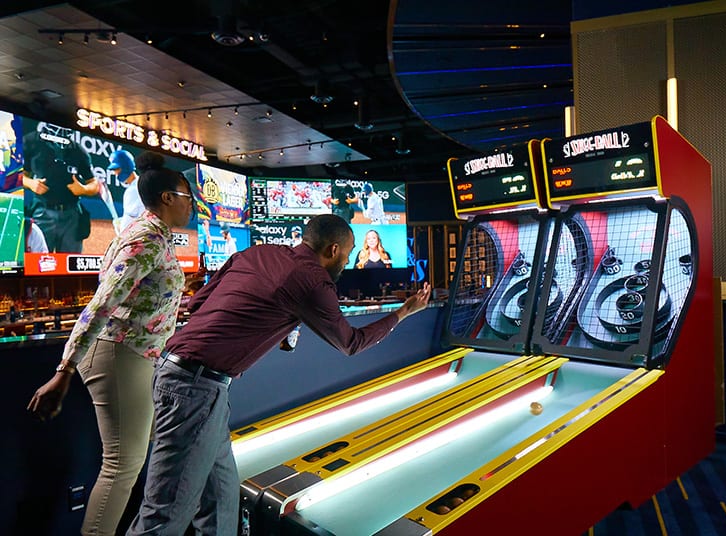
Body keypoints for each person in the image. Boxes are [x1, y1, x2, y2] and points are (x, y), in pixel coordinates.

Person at [127, 213, 431, 535]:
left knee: (220, 501)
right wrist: (403, 312)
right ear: (333, 250)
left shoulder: (256, 253)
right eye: (348, 251)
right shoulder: (314, 280)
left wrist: (278, 319)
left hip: (196, 384)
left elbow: (198, 303)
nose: (347, 259)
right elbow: (350, 343)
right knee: (166, 515)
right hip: (193, 389)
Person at [27, 151, 195, 536]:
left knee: (141, 456)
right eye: (187, 196)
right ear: (167, 198)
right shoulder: (145, 240)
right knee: (123, 464)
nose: (191, 205)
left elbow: (147, 299)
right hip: (120, 353)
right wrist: (64, 370)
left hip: (135, 353)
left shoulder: (156, 236)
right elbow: (101, 305)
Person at [22, 122, 102, 252]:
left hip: (71, 215)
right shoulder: (31, 142)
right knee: (40, 263)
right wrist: (30, 183)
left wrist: (83, 189)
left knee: (70, 263)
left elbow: (94, 184)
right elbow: (17, 176)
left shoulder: (78, 151)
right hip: (42, 211)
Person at [108, 149, 145, 233]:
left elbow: (127, 229)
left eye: (116, 169)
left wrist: (119, 227)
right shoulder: (142, 183)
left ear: (125, 167)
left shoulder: (132, 191)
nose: (115, 173)